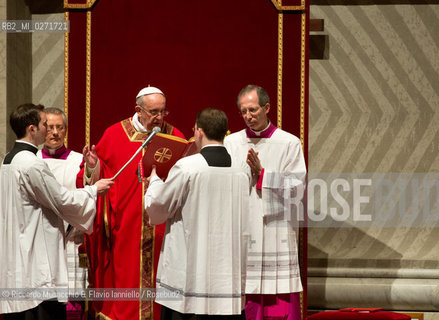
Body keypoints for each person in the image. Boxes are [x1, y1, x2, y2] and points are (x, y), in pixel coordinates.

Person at [0, 103, 113, 319]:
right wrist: (93, 190)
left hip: (17, 249)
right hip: (36, 254)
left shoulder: (8, 159)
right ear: (32, 129)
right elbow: (61, 200)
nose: (49, 129)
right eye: (45, 124)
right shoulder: (32, 164)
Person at [81, 86, 185, 320]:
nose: (159, 118)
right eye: (154, 112)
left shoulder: (173, 135)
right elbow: (99, 177)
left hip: (162, 231)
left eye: (163, 112)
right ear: (138, 110)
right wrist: (92, 166)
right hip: (126, 229)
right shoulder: (115, 134)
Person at [144, 108, 250, 319]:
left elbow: (158, 207)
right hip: (226, 276)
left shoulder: (187, 167)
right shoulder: (241, 169)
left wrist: (154, 180)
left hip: (190, 274)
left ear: (198, 132)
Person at [224, 85, 306, 320]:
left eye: (253, 109)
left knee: (276, 300)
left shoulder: (289, 143)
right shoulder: (232, 143)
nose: (248, 116)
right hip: (244, 228)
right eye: (243, 111)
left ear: (267, 107)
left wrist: (262, 174)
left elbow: (297, 188)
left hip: (275, 230)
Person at [37, 107, 88, 319]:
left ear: (66, 130)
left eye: (60, 127)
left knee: (72, 304)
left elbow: (87, 196)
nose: (55, 132)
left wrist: (92, 170)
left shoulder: (78, 160)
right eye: (50, 127)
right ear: (41, 130)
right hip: (40, 244)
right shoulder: (32, 160)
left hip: (71, 241)